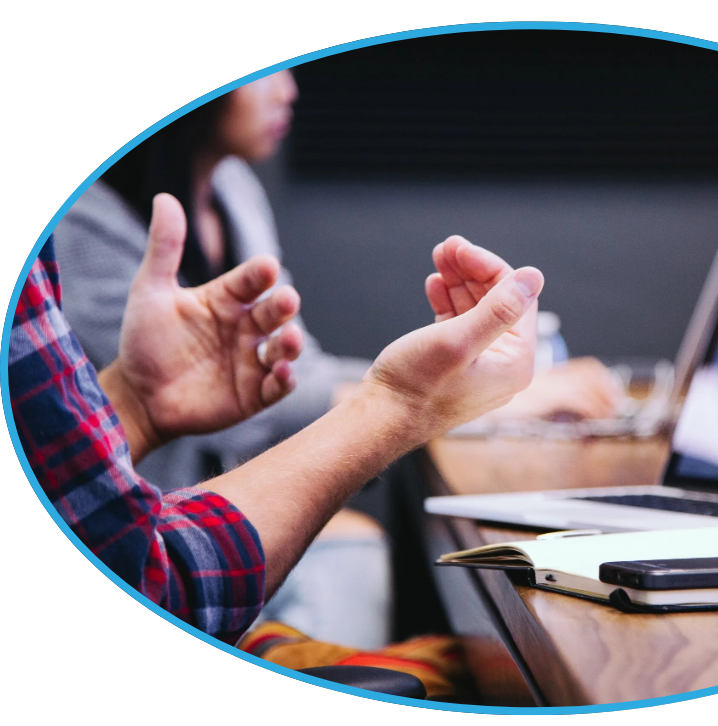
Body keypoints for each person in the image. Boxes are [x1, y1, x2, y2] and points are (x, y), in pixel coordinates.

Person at [12, 193, 543, 644]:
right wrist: (400, 405)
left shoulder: (233, 187)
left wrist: (133, 404)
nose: (285, 83)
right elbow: (149, 581)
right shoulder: (82, 219)